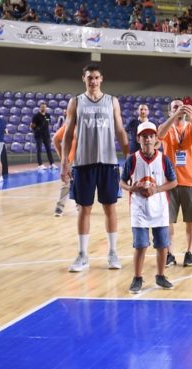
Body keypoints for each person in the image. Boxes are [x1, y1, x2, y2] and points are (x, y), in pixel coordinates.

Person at [61, 63, 130, 272]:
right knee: (84, 209)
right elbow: (67, 134)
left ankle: (113, 253)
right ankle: (82, 255)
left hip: (108, 162)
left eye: (96, 77)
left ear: (102, 79)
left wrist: (130, 159)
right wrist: (64, 161)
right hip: (83, 163)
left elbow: (120, 131)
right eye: (89, 77)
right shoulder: (75, 102)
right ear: (84, 79)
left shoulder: (112, 101)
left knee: (110, 208)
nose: (93, 81)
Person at [120, 122, 177, 293]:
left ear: (155, 139)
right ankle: (137, 277)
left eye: (151, 136)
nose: (148, 139)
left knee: (162, 245)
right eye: (144, 136)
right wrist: (131, 188)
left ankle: (160, 276)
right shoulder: (132, 159)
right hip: (139, 209)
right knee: (140, 245)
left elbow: (174, 182)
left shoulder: (164, 159)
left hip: (160, 208)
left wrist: (156, 189)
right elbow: (122, 181)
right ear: (138, 139)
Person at [157, 98, 192, 268]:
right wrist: (175, 116)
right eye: (175, 107)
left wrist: (191, 117)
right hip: (169, 182)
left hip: (191, 180)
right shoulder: (167, 128)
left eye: (182, 107)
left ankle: (189, 252)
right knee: (168, 220)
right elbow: (159, 135)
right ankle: (169, 253)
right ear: (170, 112)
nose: (180, 110)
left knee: (191, 221)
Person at [52, 123, 77, 217]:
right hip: (71, 160)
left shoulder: (88, 124)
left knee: (81, 183)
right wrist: (63, 158)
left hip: (83, 160)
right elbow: (55, 139)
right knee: (66, 183)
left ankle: (80, 204)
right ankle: (60, 207)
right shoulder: (70, 124)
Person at [31, 102, 55, 170]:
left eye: (45, 107)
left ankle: (52, 163)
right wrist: (36, 129)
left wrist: (45, 120)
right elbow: (33, 126)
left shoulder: (48, 115)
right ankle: (40, 164)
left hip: (46, 135)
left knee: (49, 149)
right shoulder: (36, 116)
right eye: (42, 107)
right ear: (40, 108)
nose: (43, 108)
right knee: (39, 150)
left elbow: (48, 121)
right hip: (39, 135)